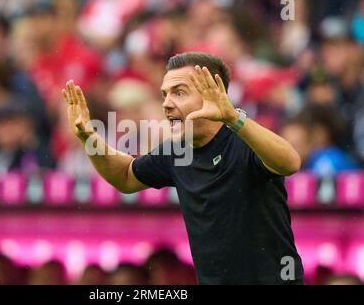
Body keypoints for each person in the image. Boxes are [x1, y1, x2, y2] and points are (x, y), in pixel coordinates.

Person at [63, 52, 304, 285]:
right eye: (164, 95)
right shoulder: (177, 151)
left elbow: (290, 162)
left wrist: (233, 118)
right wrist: (89, 138)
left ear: (213, 94)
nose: (167, 104)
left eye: (179, 93)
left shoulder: (247, 140)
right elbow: (125, 177)